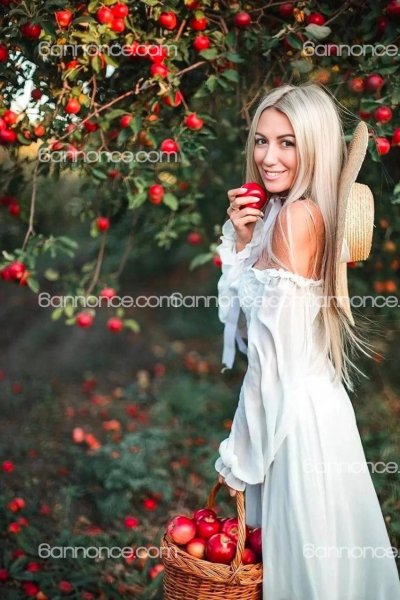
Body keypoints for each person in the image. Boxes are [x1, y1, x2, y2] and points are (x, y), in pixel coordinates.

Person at [214, 83, 400, 600]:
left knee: (302, 571)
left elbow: (273, 361)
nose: (268, 158)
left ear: (314, 147)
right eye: (262, 140)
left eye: (288, 143)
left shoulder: (297, 218)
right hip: (308, 409)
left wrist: (241, 453)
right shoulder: (284, 211)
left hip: (290, 421)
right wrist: (244, 242)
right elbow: (248, 328)